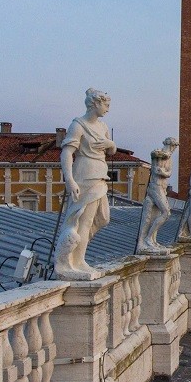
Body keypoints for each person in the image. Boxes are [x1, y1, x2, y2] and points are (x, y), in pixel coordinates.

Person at [54, 89, 116, 279]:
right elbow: (66, 153)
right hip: (85, 174)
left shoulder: (103, 126)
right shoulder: (78, 125)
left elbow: (112, 150)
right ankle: (75, 260)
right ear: (95, 104)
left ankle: (77, 253)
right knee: (83, 219)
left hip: (100, 174)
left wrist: (109, 144)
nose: (107, 109)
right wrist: (69, 180)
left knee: (102, 218)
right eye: (105, 105)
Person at [137, 137, 178, 253]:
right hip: (156, 187)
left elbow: (169, 172)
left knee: (155, 215)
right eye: (173, 146)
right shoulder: (159, 154)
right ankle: (148, 238)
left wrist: (164, 172)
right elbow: (155, 167)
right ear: (170, 145)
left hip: (162, 188)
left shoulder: (169, 158)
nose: (174, 149)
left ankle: (152, 240)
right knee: (166, 212)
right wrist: (161, 156)